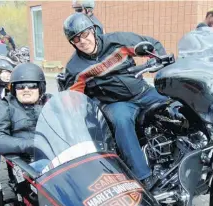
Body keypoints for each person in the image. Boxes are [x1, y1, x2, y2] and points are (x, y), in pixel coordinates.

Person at [62, 13, 169, 191]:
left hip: (142, 91)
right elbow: (74, 98)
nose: (83, 41)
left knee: (174, 103)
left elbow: (151, 45)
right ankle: (143, 177)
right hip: (115, 103)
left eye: (85, 34)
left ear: (93, 30)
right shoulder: (74, 67)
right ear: (72, 42)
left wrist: (160, 68)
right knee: (121, 121)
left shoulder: (118, 40)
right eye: (76, 38)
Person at [0, 62, 49, 173]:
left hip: (54, 154)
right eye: (20, 86)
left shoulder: (50, 102)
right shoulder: (4, 106)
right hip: (24, 163)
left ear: (41, 88)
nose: (26, 89)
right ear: (14, 89)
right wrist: (30, 144)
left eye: (32, 85)